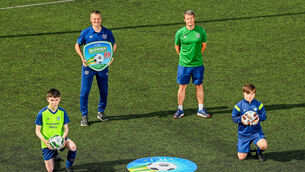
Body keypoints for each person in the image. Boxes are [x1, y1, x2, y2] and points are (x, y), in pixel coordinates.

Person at [75, 10, 117, 126]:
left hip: (103, 67)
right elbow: (77, 45)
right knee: (84, 92)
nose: (96, 21)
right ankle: (84, 116)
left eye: (98, 19)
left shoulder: (107, 32)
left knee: (104, 91)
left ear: (101, 19)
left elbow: (113, 45)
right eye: (94, 19)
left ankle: (101, 112)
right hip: (88, 67)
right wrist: (82, 58)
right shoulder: (85, 32)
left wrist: (111, 57)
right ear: (90, 20)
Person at [174, 10, 210, 119]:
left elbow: (204, 45)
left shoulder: (201, 31)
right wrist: (183, 57)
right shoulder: (180, 32)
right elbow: (177, 47)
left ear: (194, 18)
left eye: (191, 18)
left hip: (197, 64)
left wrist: (197, 55)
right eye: (188, 18)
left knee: (199, 85)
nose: (190, 20)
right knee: (182, 86)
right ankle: (180, 109)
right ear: (185, 20)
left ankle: (200, 109)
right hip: (184, 65)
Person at [35, 89, 77, 172]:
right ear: (48, 99)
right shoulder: (42, 113)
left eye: (56, 100)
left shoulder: (62, 112)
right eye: (52, 100)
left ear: (59, 99)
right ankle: (54, 154)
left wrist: (63, 138)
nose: (54, 103)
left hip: (60, 139)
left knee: (73, 147)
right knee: (50, 170)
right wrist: (45, 141)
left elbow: (66, 129)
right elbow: (37, 131)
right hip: (47, 142)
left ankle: (68, 167)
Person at [232, 84, 268, 161]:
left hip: (256, 132)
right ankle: (245, 147)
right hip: (243, 134)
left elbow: (264, 117)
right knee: (241, 158)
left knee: (263, 145)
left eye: (252, 93)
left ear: (254, 94)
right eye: (248, 93)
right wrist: (241, 119)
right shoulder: (238, 106)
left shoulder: (259, 104)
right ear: (243, 93)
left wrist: (258, 118)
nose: (250, 96)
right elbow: (234, 118)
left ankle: (259, 153)